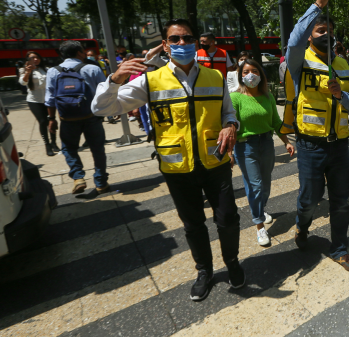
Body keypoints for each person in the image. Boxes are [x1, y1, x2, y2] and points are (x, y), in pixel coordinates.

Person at [91, 19, 244, 301]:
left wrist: (230, 125)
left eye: (187, 39)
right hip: (177, 168)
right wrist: (114, 80)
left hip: (216, 163)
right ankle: (204, 271)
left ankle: (232, 262)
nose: (181, 44)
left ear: (196, 42)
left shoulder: (215, 78)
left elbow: (228, 113)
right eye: (175, 39)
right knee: (193, 224)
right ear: (165, 45)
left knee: (228, 219)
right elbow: (102, 107)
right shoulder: (151, 80)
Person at [286, 0, 349, 272]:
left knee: (341, 201)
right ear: (309, 36)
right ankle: (302, 226)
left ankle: (340, 249)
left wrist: (339, 95)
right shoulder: (299, 61)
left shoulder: (342, 64)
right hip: (309, 145)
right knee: (309, 200)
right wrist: (318, 6)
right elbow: (293, 41)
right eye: (320, 31)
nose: (326, 35)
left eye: (330, 31)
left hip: (338, 146)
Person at [232, 58, 295, 246]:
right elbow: (230, 125)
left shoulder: (268, 96)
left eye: (254, 71)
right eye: (245, 72)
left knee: (265, 185)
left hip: (266, 143)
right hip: (245, 146)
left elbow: (276, 122)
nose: (250, 75)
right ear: (240, 76)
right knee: (256, 186)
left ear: (261, 74)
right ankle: (259, 226)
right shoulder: (235, 97)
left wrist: (286, 141)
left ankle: (260, 209)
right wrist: (228, 151)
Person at [46, 40, 109, 195]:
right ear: (80, 52)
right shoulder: (93, 68)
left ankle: (78, 177)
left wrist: (51, 118)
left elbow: (50, 98)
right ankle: (101, 183)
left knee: (68, 148)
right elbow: (104, 93)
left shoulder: (53, 71)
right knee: (98, 149)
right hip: (91, 116)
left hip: (67, 119)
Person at [18, 52, 59, 156]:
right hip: (34, 100)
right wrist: (28, 72)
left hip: (48, 100)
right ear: (27, 60)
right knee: (42, 121)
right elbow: (23, 83)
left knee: (51, 120)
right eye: (32, 58)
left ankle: (54, 143)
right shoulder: (24, 70)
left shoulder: (47, 69)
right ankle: (47, 145)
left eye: (37, 57)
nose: (35, 59)